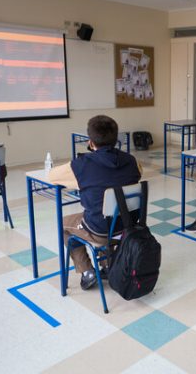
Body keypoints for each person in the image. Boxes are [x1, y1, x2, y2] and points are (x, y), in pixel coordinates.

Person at [49, 115, 142, 290]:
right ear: (116, 139)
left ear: (91, 142)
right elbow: (138, 174)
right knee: (109, 213)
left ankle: (87, 271)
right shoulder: (132, 161)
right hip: (128, 227)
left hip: (99, 230)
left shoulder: (82, 165)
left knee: (64, 225)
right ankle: (107, 265)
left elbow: (52, 176)